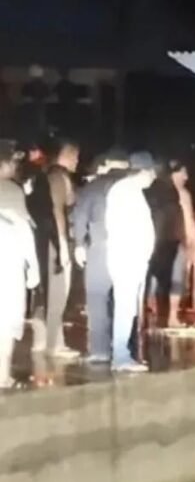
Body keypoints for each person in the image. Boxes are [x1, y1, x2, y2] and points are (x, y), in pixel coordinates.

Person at [70, 149, 130, 363]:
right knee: (126, 300)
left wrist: (79, 244)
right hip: (128, 247)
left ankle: (99, 349)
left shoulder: (93, 187)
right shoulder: (132, 186)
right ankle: (125, 347)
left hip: (100, 245)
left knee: (97, 297)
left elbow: (79, 216)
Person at [26, 139, 79, 357]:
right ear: (66, 155)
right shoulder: (59, 177)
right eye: (75, 157)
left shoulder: (43, 176)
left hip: (40, 239)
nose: (77, 162)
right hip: (54, 241)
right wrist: (63, 244)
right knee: (58, 292)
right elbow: (58, 210)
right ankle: (55, 344)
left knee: (43, 291)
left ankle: (40, 340)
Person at [105, 151, 157, 372]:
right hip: (128, 258)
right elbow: (129, 227)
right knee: (125, 306)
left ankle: (121, 352)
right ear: (143, 171)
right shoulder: (127, 192)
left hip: (129, 257)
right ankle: (120, 356)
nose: (154, 176)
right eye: (152, 171)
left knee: (127, 307)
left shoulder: (127, 190)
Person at [0, 145, 40, 389]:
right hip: (9, 264)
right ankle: (2, 375)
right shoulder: (12, 190)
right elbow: (24, 230)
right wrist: (33, 268)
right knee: (7, 320)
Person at [146, 160, 195, 328]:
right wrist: (193, 244)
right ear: (172, 174)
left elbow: (189, 221)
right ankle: (163, 315)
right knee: (163, 279)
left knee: (169, 278)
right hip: (166, 242)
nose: (186, 176)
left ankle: (167, 316)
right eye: (182, 172)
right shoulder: (171, 193)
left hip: (167, 241)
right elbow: (189, 221)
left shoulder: (176, 193)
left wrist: (193, 244)